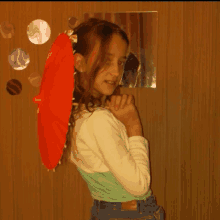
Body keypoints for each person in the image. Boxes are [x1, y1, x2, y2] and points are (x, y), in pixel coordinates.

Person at [61, 18, 165, 220]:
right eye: (106, 60)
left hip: (109, 212)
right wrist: (133, 125)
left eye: (120, 62)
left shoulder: (78, 115)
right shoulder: (97, 120)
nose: (117, 72)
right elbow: (139, 185)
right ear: (79, 63)